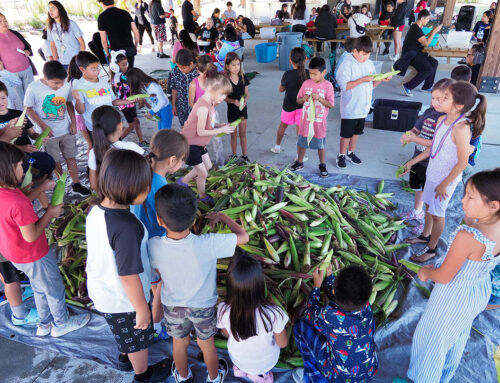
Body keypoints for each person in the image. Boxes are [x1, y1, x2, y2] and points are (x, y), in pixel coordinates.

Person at [85, 149, 172, 381]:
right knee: (138, 337)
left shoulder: (96, 210)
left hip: (102, 286)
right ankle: (143, 374)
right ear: (130, 189)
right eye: (145, 187)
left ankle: (124, 356)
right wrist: (142, 308)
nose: (147, 190)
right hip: (123, 298)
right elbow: (128, 275)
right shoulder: (126, 227)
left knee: (124, 332)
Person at [148, 183, 249, 383]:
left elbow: (156, 273)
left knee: (179, 343)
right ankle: (213, 377)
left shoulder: (153, 246)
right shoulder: (208, 243)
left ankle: (183, 376)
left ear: (160, 220)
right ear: (194, 218)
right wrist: (223, 217)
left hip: (173, 305)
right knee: (206, 344)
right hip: (203, 306)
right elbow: (243, 237)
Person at [408, 168, 500, 383]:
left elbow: (444, 276)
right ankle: (443, 375)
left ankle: (424, 378)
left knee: (431, 339)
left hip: (453, 294)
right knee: (455, 335)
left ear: (494, 205)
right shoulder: (493, 226)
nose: (462, 200)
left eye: (470, 196)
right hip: (477, 292)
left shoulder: (467, 236)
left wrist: (426, 272)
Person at [0, 141, 90, 337]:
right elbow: (31, 235)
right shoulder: (17, 203)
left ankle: (44, 323)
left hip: (14, 254)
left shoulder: (6, 193)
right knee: (53, 287)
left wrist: (41, 189)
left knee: (39, 286)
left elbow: (22, 198)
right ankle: (61, 323)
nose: (23, 170)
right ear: (7, 170)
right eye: (18, 166)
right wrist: (49, 213)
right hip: (33, 254)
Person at [402, 81, 487, 262]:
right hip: (433, 173)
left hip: (445, 180)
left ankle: (431, 249)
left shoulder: (461, 128)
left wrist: (444, 184)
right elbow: (433, 147)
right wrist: (412, 162)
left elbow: (463, 162)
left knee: (438, 214)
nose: (439, 102)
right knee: (428, 207)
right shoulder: (441, 120)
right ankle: (425, 235)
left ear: (459, 105)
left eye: (445, 98)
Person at [294, 264, 378, 382]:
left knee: (300, 326)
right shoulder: (367, 307)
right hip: (368, 371)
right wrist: (330, 278)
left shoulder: (330, 314)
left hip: (339, 377)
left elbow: (309, 312)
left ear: (334, 290)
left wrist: (316, 286)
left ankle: (313, 374)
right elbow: (343, 295)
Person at [217, 250, 289, 382]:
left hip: (238, 359)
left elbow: (227, 334)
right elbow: (282, 344)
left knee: (244, 358)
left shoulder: (223, 311)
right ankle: (260, 377)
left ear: (231, 288)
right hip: (267, 362)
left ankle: (243, 371)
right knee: (260, 365)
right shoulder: (274, 314)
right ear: (260, 285)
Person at [24, 61, 90, 197]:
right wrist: (44, 126)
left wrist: (73, 123)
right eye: (55, 83)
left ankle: (76, 184)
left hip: (66, 130)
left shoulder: (65, 85)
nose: (59, 86)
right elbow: (28, 109)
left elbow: (68, 103)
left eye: (61, 83)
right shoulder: (34, 87)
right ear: (45, 77)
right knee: (55, 161)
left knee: (71, 157)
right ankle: (61, 184)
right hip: (48, 135)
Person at [400, 79, 452, 234]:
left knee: (429, 195)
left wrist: (414, 139)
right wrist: (410, 134)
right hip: (418, 156)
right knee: (417, 186)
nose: (435, 102)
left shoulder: (447, 120)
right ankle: (417, 211)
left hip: (432, 163)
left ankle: (427, 225)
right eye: (433, 98)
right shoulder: (428, 112)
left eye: (440, 99)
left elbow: (434, 143)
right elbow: (417, 129)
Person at [177, 69, 234, 203]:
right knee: (203, 173)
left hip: (199, 144)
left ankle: (183, 181)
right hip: (190, 144)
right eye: (222, 94)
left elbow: (209, 124)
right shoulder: (203, 107)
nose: (224, 98)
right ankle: (202, 197)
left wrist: (219, 125)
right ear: (211, 90)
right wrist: (222, 131)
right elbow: (201, 131)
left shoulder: (211, 103)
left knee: (207, 166)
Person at [336, 36, 391, 169]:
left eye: (368, 54)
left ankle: (351, 152)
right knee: (346, 134)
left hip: (363, 106)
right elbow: (344, 86)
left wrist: (382, 79)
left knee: (357, 133)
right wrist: (362, 79)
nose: (366, 57)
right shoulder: (347, 64)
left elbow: (372, 84)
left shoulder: (369, 64)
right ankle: (341, 154)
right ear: (355, 51)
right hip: (350, 106)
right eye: (363, 54)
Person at [0, 81, 56, 209]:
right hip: (8, 163)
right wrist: (21, 148)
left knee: (34, 183)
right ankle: (25, 210)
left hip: (28, 158)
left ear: (7, 97)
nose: (0, 102)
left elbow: (32, 134)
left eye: (3, 98)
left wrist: (41, 138)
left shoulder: (18, 114)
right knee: (18, 189)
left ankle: (46, 207)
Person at [131, 129, 188, 238]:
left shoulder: (139, 173)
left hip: (137, 234)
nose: (181, 164)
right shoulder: (163, 189)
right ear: (172, 160)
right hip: (154, 239)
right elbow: (170, 223)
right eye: (181, 160)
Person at [72, 51, 137, 144]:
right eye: (93, 69)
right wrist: (78, 100)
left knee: (115, 149)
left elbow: (113, 101)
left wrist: (128, 101)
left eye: (98, 67)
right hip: (97, 129)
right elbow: (81, 111)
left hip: (111, 124)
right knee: (103, 153)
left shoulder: (103, 82)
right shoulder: (79, 86)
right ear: (82, 69)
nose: (97, 71)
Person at [290, 57, 334, 178]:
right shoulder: (306, 84)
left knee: (320, 144)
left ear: (323, 72)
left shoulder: (328, 86)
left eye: (315, 74)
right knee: (302, 142)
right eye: (310, 73)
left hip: (319, 123)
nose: (312, 76)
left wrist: (319, 98)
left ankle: (322, 164)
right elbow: (298, 100)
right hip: (305, 122)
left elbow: (330, 104)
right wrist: (304, 99)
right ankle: (299, 162)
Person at [87, 105, 144, 190]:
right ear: (120, 126)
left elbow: (94, 185)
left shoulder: (93, 152)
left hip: (107, 198)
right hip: (132, 197)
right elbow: (145, 178)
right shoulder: (132, 148)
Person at [395, 10, 441, 97]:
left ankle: (426, 87)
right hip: (410, 55)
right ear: (422, 18)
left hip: (417, 52)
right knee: (428, 69)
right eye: (427, 19)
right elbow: (426, 42)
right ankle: (408, 86)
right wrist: (434, 32)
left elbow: (425, 36)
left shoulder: (417, 27)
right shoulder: (415, 28)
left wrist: (434, 30)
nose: (428, 21)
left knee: (434, 63)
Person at [271, 47, 309, 154]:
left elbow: (281, 89)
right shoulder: (309, 74)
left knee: (282, 126)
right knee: (300, 131)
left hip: (288, 106)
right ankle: (300, 155)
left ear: (290, 61)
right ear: (305, 59)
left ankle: (277, 147)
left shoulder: (287, 74)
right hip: (303, 107)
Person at [449, 67, 482, 183]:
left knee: (463, 166)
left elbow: (477, 131)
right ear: (469, 79)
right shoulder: (450, 96)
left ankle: (465, 168)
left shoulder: (472, 104)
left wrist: (471, 148)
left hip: (466, 152)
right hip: (461, 142)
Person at [109, 51, 146, 146]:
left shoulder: (123, 75)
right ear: (115, 66)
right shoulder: (119, 77)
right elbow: (132, 82)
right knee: (131, 125)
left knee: (136, 122)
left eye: (126, 64)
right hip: (125, 104)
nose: (126, 66)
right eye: (123, 65)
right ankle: (116, 142)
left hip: (130, 102)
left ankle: (141, 141)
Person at [97, 0, 140, 67]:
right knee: (130, 72)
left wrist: (108, 54)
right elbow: (136, 32)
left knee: (119, 75)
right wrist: (135, 46)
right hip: (130, 49)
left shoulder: (102, 17)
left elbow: (104, 41)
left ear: (101, 3)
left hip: (116, 52)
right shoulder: (125, 13)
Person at [0, 13, 35, 94]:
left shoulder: (15, 33)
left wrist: (27, 51)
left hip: (27, 69)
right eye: (0, 21)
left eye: (5, 21)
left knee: (30, 95)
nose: (4, 23)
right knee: (18, 99)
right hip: (11, 74)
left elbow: (27, 46)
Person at [224, 52, 249, 162]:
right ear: (227, 66)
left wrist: (245, 100)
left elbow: (246, 93)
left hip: (243, 110)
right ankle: (234, 155)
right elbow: (224, 98)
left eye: (238, 64)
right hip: (232, 111)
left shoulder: (243, 77)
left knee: (242, 134)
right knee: (233, 135)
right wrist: (233, 101)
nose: (236, 68)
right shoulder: (226, 80)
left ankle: (244, 155)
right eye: (233, 65)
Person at [46, 1, 84, 70]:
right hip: (63, 62)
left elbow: (82, 43)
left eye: (53, 8)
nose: (50, 10)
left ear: (60, 9)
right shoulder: (50, 27)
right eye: (49, 8)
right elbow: (52, 46)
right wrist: (56, 62)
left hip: (76, 61)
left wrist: (80, 59)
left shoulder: (71, 23)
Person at [170, 49, 199, 129]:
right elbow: (174, 88)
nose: (181, 70)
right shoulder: (175, 71)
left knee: (196, 129)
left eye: (183, 68)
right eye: (179, 67)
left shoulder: (198, 72)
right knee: (184, 128)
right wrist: (173, 105)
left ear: (191, 64)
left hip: (196, 107)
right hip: (181, 107)